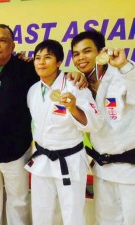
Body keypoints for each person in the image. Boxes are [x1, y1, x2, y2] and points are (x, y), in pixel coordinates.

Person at [0, 24, 87, 225]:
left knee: (18, 200)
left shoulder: (26, 70)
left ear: (13, 46)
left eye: (3, 40)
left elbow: (52, 78)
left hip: (16, 151)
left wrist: (75, 75)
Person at [24, 39, 103, 225]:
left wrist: (74, 107)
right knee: (41, 213)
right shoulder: (33, 90)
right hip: (42, 160)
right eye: (37, 58)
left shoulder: (75, 86)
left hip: (70, 160)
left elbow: (95, 123)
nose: (41, 62)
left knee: (73, 215)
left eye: (48, 57)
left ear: (59, 62)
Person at [71, 30, 135, 225]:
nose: (81, 57)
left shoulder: (122, 74)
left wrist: (124, 66)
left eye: (87, 51)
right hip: (102, 169)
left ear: (101, 52)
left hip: (130, 169)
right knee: (106, 221)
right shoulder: (79, 85)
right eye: (76, 53)